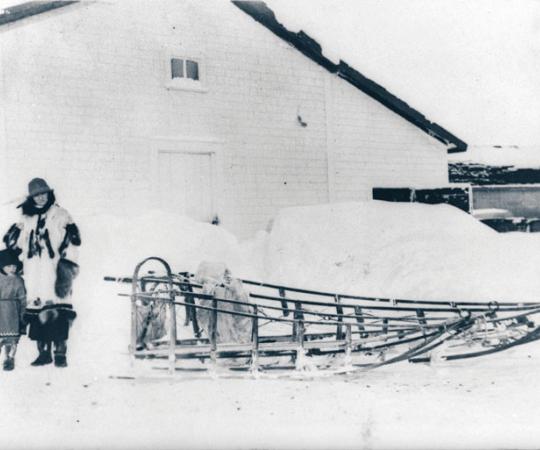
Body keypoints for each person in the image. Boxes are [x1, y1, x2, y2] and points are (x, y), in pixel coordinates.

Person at [3, 178, 81, 368]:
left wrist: (66, 269)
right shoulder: (26, 218)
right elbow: (15, 245)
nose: (40, 198)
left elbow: (73, 244)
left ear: (49, 194)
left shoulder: (61, 215)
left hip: (55, 273)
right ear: (31, 198)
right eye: (36, 195)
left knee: (58, 311)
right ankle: (43, 353)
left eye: (43, 194)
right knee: (37, 312)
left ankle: (60, 353)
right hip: (35, 273)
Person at [0, 249, 26, 371]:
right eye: (9, 266)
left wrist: (23, 315)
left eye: (14, 266)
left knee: (11, 339)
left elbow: (22, 299)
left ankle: (9, 359)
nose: (12, 268)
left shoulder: (19, 281)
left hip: (12, 313)